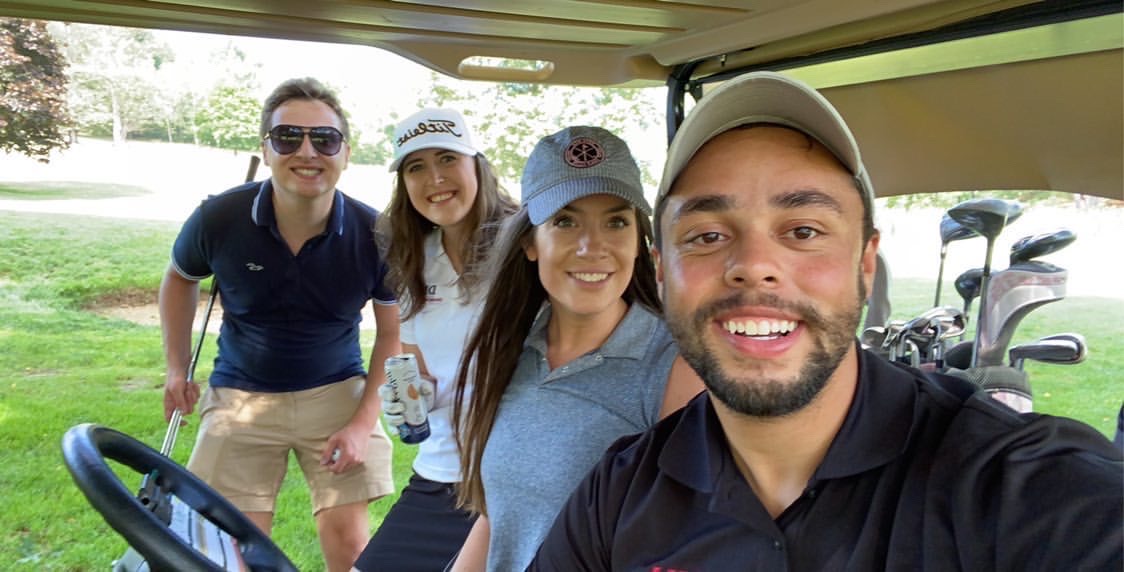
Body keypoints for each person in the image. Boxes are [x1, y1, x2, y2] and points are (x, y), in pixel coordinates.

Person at [531, 71, 1123, 570]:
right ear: (662, 271)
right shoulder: (620, 492)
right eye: (707, 236)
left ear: (866, 261)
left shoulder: (1021, 489)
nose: (754, 266)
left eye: (804, 232)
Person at [159, 77, 400, 572]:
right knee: (233, 553)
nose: (307, 151)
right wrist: (175, 368)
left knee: (351, 547)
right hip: (240, 395)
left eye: (324, 139)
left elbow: (393, 334)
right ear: (266, 149)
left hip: (337, 393)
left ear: (346, 153)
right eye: (288, 137)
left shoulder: (376, 234)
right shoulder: (218, 218)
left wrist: (361, 424)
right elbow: (179, 279)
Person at [447, 126, 704, 572]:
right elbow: (498, 520)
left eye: (616, 221)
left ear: (640, 240)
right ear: (530, 242)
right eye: (565, 220)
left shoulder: (672, 367)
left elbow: (686, 545)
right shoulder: (513, 348)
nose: (593, 247)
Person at [352, 108, 517, 571]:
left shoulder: (525, 247)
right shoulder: (414, 260)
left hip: (514, 477)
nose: (435, 178)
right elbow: (417, 368)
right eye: (415, 167)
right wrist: (410, 397)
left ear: (476, 165)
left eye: (448, 158)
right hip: (442, 471)